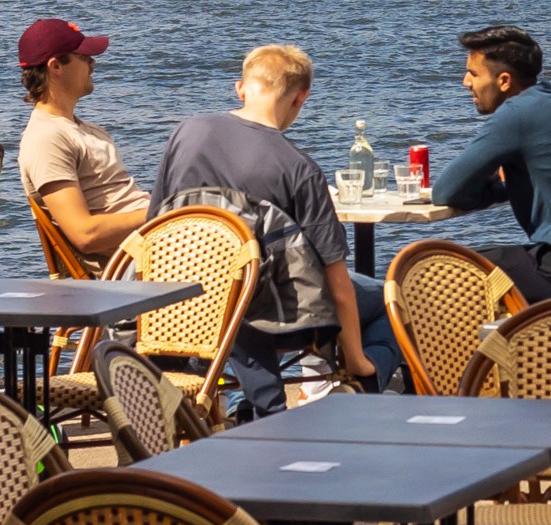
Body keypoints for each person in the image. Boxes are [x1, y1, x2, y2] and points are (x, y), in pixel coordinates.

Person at [152, 44, 401, 414]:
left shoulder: (185, 134)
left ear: (240, 89)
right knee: (390, 298)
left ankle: (240, 405)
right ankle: (363, 384)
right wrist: (356, 359)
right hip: (266, 314)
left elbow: (156, 224)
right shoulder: (298, 167)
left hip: (183, 303)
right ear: (301, 98)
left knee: (254, 290)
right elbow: (338, 287)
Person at [430, 23, 551, 302]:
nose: (466, 82)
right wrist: (502, 186)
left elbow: (444, 192)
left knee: (441, 271)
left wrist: (489, 189)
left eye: (473, 74)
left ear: (504, 81)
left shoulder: (516, 115)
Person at [15, 17, 153, 266]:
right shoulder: (47, 139)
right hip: (141, 265)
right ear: (56, 66)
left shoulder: (87, 130)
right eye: (84, 56)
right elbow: (84, 234)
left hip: (162, 243)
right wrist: (163, 212)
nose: (93, 63)